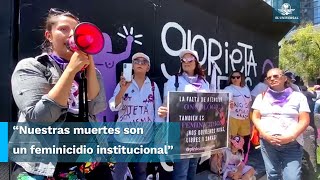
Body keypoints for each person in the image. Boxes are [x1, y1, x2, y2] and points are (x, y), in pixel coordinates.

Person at [10, 8, 109, 179]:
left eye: (76, 30)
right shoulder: (31, 67)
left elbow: (96, 106)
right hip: (41, 165)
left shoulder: (92, 72)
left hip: (86, 163)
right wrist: (70, 71)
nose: (72, 35)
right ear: (49, 36)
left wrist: (89, 61)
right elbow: (40, 116)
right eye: (64, 29)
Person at [109, 52, 163, 180]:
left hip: (144, 138)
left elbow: (158, 113)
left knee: (141, 171)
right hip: (123, 137)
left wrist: (158, 134)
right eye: (136, 61)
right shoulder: (123, 84)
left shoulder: (153, 87)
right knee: (119, 172)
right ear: (132, 66)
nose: (140, 64)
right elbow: (113, 107)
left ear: (148, 68)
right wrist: (123, 89)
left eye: (143, 62)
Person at [158, 49, 210, 180]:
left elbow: (210, 105)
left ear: (196, 62)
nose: (186, 62)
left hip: (198, 133)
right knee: (181, 171)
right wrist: (163, 111)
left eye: (190, 59)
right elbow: (166, 104)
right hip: (180, 133)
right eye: (183, 60)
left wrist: (225, 106)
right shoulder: (173, 80)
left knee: (193, 167)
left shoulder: (204, 82)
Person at [251, 68, 310, 180]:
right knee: (273, 175)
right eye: (269, 78)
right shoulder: (261, 97)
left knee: (292, 177)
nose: (272, 79)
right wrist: (264, 134)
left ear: (284, 78)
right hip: (268, 143)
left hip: (292, 144)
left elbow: (304, 120)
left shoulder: (298, 97)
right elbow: (255, 117)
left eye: (276, 76)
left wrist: (291, 136)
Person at [223, 71, 251, 153]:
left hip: (244, 118)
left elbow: (249, 102)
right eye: (233, 77)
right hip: (233, 117)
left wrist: (250, 116)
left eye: (238, 77)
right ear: (230, 78)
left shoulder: (246, 88)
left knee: (241, 140)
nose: (235, 79)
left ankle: (238, 158)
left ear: (241, 78)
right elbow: (224, 102)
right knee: (232, 139)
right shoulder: (228, 89)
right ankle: (230, 159)